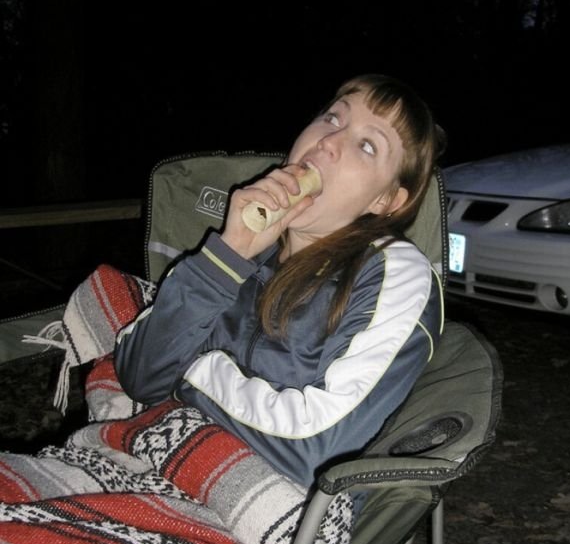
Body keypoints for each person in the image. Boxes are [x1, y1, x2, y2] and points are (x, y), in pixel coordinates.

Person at [114, 73, 445, 488]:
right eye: (332, 118)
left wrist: (192, 374)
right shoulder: (239, 252)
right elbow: (139, 375)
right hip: (154, 470)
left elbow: (321, 450)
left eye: (367, 145)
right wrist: (229, 253)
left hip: (267, 514)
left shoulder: (393, 271)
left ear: (385, 200)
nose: (329, 141)